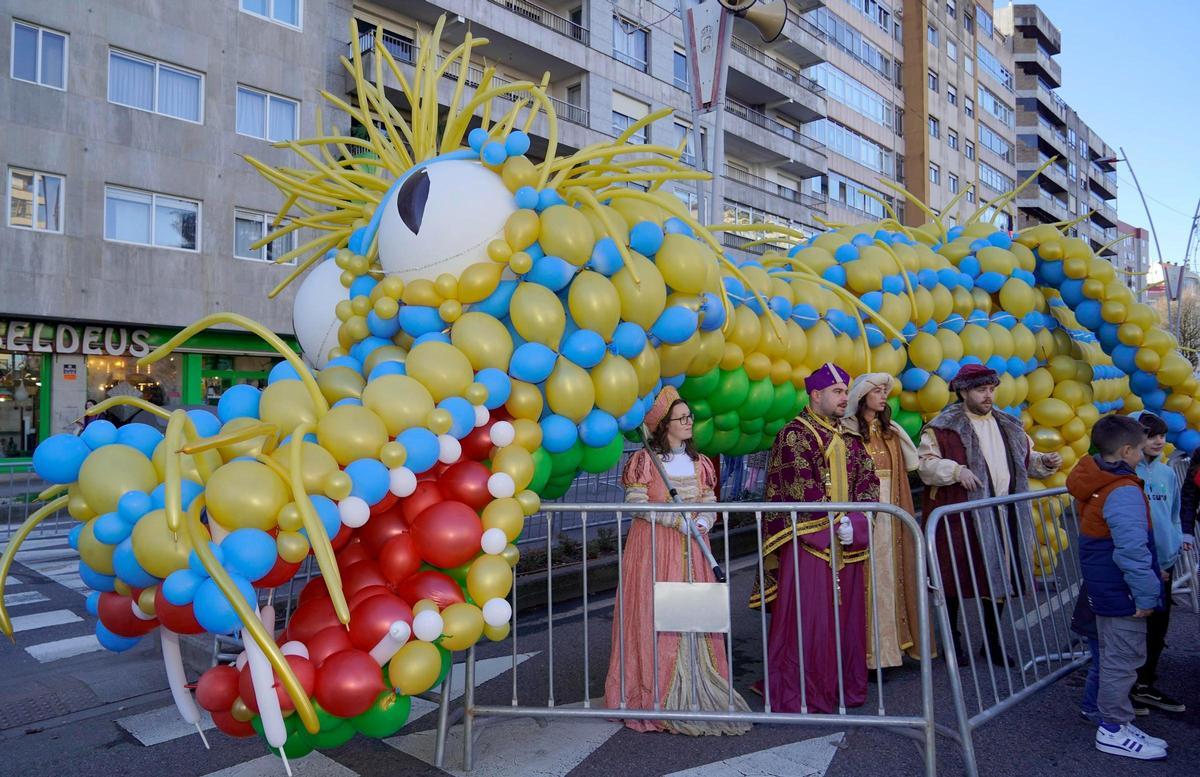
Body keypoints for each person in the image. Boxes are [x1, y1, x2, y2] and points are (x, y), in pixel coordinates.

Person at [604, 386, 751, 736]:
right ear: (664, 425)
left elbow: (709, 498)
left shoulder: (699, 463)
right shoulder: (645, 461)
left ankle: (696, 685)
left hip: (694, 550)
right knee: (653, 615)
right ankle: (654, 691)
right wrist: (674, 520)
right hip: (654, 549)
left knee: (693, 616)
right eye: (681, 418)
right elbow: (636, 504)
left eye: (690, 418)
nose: (689, 423)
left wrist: (702, 521)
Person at [750, 362, 878, 713]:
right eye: (837, 392)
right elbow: (798, 489)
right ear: (816, 394)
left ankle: (838, 688)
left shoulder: (851, 437)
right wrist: (832, 524)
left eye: (845, 392)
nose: (844, 398)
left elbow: (868, 483)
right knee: (808, 624)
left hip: (847, 546)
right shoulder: (794, 435)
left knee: (846, 625)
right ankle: (803, 691)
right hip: (810, 545)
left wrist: (857, 521)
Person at [918, 363, 1062, 666]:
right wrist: (955, 470)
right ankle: (952, 642)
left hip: (1001, 514)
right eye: (982, 390)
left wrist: (1044, 462)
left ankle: (993, 641)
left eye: (991, 390)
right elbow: (925, 465)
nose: (988, 396)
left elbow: (1024, 459)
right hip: (961, 516)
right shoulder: (942, 427)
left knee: (999, 577)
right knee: (954, 577)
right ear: (963, 391)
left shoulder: (1009, 424)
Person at [1066, 414, 1168, 760]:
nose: (1143, 455)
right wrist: (1146, 594)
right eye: (1140, 449)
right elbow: (1132, 551)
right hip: (1121, 591)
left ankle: (1118, 724)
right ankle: (1111, 729)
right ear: (1126, 450)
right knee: (1121, 661)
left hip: (1107, 586)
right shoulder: (1122, 490)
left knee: (1114, 658)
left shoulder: (1100, 480)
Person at [842, 372, 924, 672]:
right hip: (863, 513)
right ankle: (866, 655)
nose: (883, 395)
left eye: (884, 391)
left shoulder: (892, 432)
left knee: (891, 577)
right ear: (862, 396)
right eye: (876, 391)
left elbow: (911, 466)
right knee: (866, 579)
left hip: (892, 510)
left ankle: (890, 652)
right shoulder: (847, 430)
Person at [1130, 412, 1186, 713]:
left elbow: (1174, 514)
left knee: (1158, 627)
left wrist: (1175, 544)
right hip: (1142, 564)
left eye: (1162, 436)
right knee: (1134, 627)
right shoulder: (1127, 472)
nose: (1159, 441)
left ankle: (1145, 683)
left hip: (1166, 561)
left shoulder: (1166, 473)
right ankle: (1126, 686)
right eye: (1151, 435)